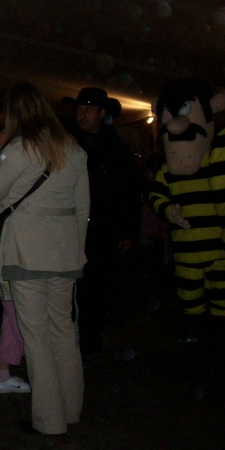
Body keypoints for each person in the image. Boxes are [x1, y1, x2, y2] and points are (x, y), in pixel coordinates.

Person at [0, 83, 89, 435]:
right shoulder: (73, 148)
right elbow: (82, 208)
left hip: (26, 252)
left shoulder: (18, 148)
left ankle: (50, 420)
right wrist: (78, 249)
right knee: (63, 331)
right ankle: (72, 409)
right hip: (65, 253)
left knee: (37, 337)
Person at [150, 79, 225, 361]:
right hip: (187, 252)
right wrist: (170, 211)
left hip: (218, 250)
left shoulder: (213, 159)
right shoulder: (167, 171)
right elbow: (156, 195)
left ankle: (214, 340)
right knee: (191, 299)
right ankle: (197, 340)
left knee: (221, 301)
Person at [62, 87, 140, 356]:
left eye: (88, 110)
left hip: (105, 228)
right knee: (80, 286)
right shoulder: (67, 143)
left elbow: (128, 190)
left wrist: (128, 231)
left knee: (101, 283)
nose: (82, 115)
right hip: (75, 227)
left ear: (101, 113)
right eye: (79, 109)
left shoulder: (114, 146)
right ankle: (82, 339)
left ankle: (93, 336)